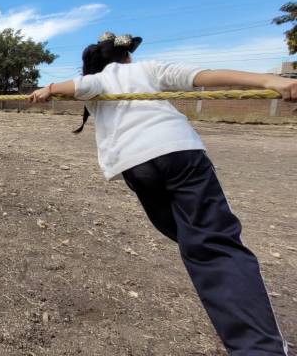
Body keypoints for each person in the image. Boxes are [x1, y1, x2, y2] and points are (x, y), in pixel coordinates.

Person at [28, 32, 296, 356]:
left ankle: (244, 318)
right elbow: (204, 77)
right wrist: (272, 81)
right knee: (213, 248)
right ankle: (258, 344)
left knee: (196, 243)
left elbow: (80, 87)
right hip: (179, 152)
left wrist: (50, 89)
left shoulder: (98, 79)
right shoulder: (148, 70)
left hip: (137, 166)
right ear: (127, 56)